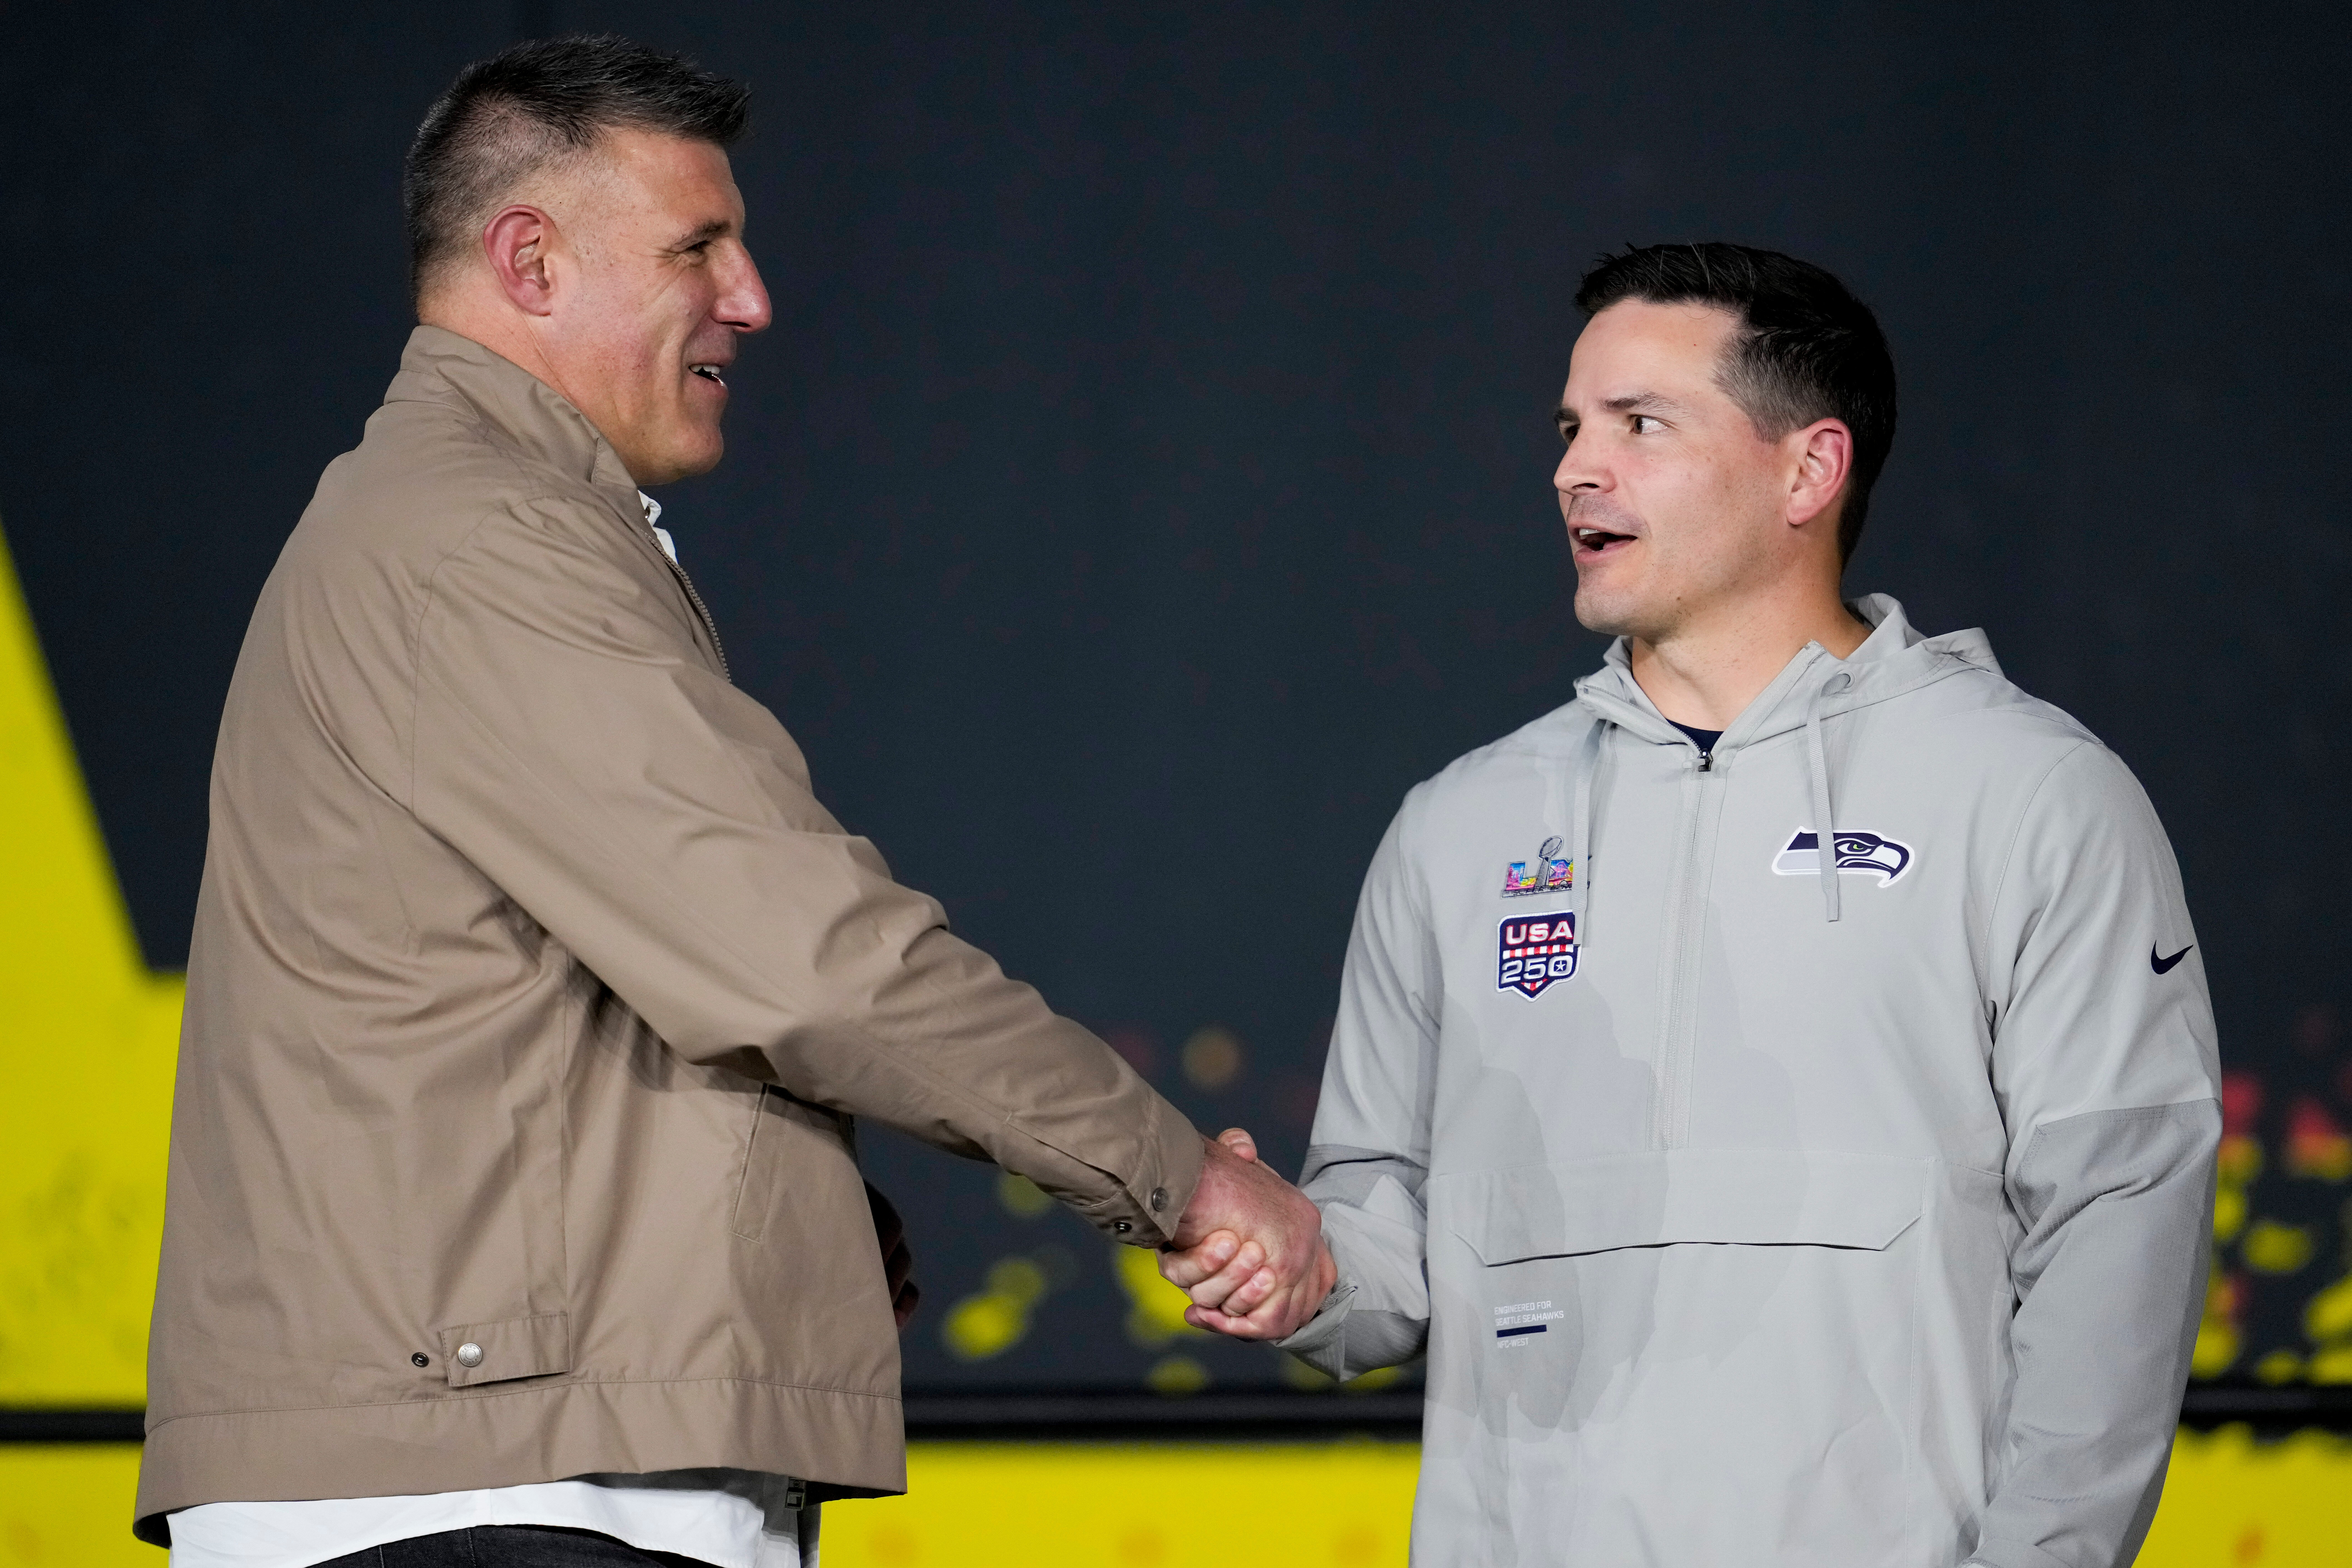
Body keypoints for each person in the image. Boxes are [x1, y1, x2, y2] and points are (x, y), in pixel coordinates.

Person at [134, 34, 1324, 1568]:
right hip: (488, 1489)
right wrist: (1180, 1179)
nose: (751, 298)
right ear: (531, 260)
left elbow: (575, 1004)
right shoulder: (481, 542)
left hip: (502, 1456)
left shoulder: (463, 521)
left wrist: (797, 1231)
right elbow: (806, 961)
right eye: (698, 247)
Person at [1165, 243, 2220, 1565]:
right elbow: (1390, 1257)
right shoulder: (1458, 826)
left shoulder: (2033, 794)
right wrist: (1301, 1263)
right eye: (1569, 429)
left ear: (1808, 470)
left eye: (1639, 423)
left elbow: (2120, 1225)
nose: (1573, 470)